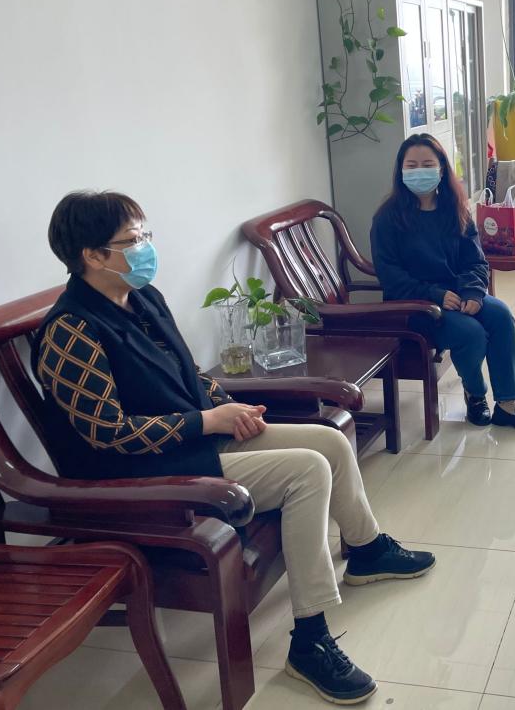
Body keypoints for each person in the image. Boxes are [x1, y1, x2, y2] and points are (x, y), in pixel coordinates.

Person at [32, 190, 436, 706]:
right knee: (307, 471)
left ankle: (366, 549)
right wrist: (206, 420)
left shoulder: (140, 298)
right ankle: (310, 641)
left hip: (191, 438)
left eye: (145, 235)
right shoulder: (71, 330)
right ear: (92, 255)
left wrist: (229, 408)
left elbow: (189, 375)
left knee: (331, 440)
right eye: (132, 240)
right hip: (143, 473)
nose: (145, 248)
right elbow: (107, 433)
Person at [369, 133, 515, 435]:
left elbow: (475, 260)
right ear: (400, 171)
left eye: (428, 164)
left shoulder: (456, 210)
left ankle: (507, 404)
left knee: (501, 315)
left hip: (458, 293)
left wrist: (473, 292)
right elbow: (391, 277)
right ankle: (475, 394)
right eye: (411, 165)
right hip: (415, 306)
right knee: (470, 332)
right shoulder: (387, 219)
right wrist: (435, 294)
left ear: (441, 169)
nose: (419, 171)